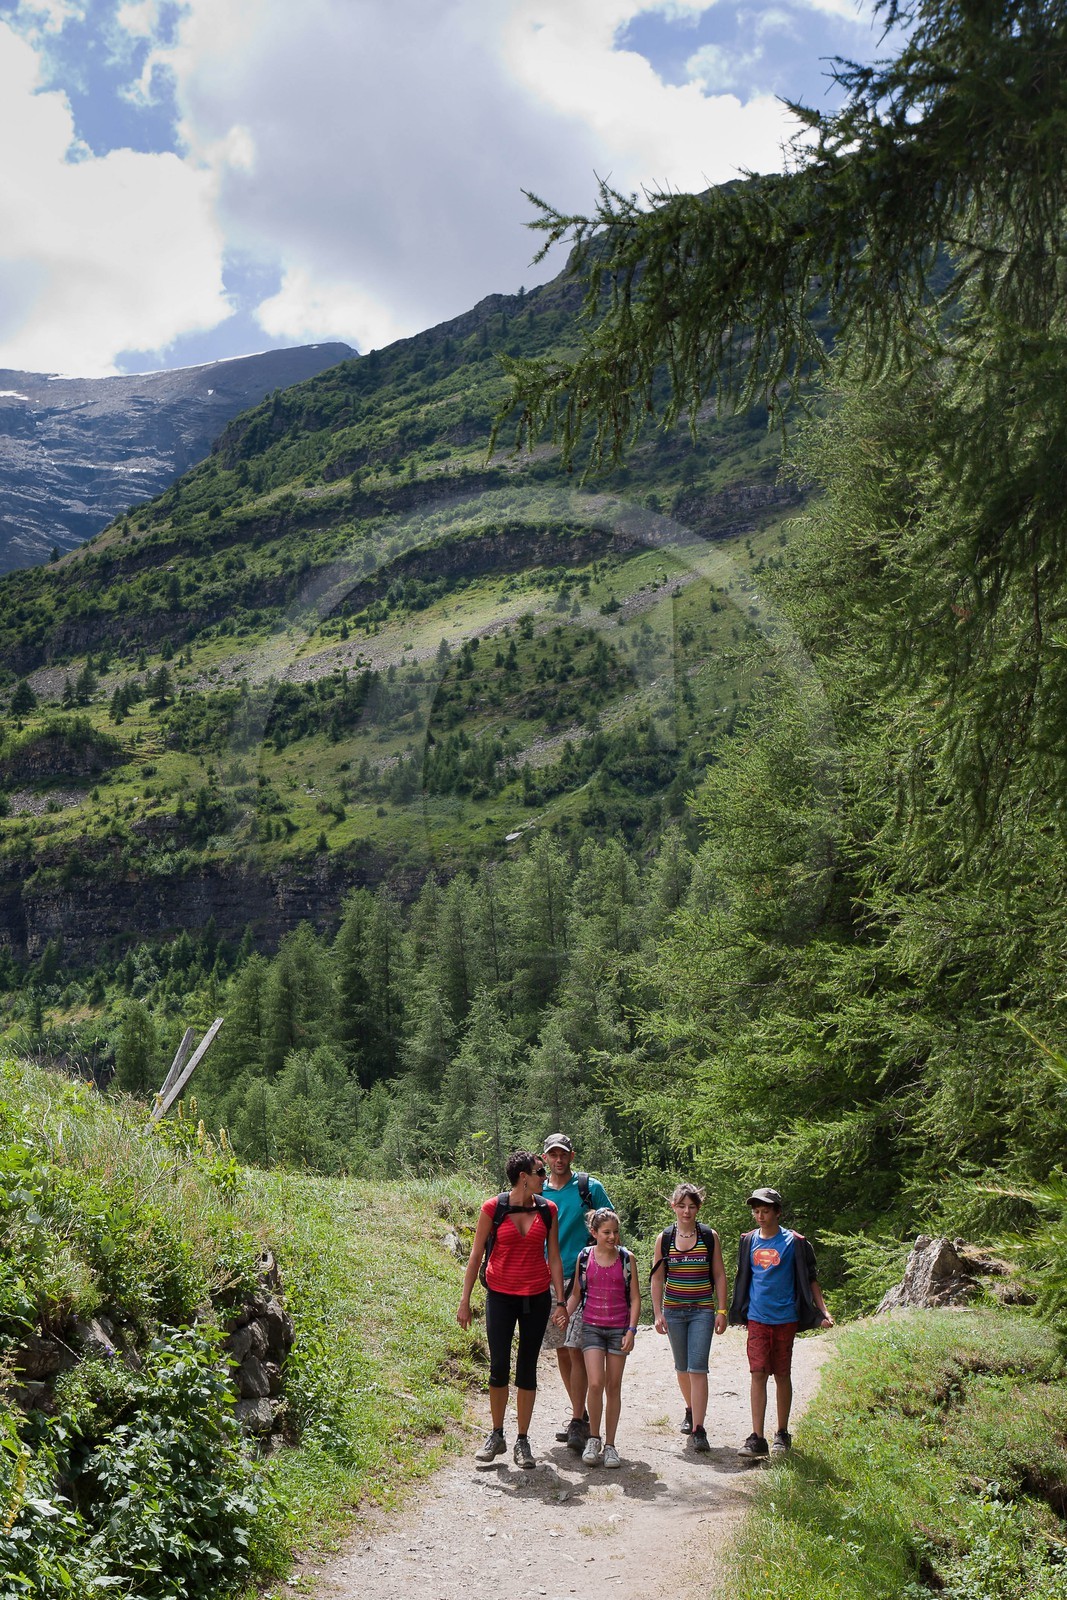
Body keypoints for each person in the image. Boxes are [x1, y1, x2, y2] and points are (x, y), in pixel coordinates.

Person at [457, 1150, 568, 1469]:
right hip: (500, 1298)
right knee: (499, 1368)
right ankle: (496, 1434)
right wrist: (465, 1301)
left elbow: (554, 1257)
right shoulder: (494, 1208)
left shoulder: (548, 1209)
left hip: (536, 1298)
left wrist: (561, 1301)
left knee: (527, 1369)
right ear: (523, 1177)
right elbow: (476, 1256)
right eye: (539, 1172)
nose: (545, 1177)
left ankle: (522, 1440)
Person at [729, 1186, 834, 1458]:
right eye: (756, 1211)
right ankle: (757, 1438)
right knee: (758, 1373)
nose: (760, 1216)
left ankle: (782, 1433)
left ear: (778, 1212)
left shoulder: (795, 1242)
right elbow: (744, 1277)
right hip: (757, 1319)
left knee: (782, 1374)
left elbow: (811, 1279)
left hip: (786, 1319)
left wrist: (823, 1312)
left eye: (765, 1211)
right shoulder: (748, 1241)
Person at [540, 1132, 613, 1450]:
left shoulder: (589, 1187)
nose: (558, 1160)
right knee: (561, 1348)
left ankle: (578, 1420)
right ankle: (579, 1416)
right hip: (547, 1280)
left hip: (583, 1279)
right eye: (553, 1154)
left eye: (563, 1154)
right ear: (545, 1158)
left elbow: (611, 1228)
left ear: (571, 1156)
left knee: (575, 1348)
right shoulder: (538, 1190)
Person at [650, 1182, 728, 1454]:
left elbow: (719, 1274)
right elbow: (657, 1278)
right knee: (682, 1368)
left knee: (698, 1368)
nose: (686, 1211)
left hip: (702, 1311)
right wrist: (657, 1313)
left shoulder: (709, 1236)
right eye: (682, 1206)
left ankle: (699, 1429)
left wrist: (721, 1311)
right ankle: (690, 1409)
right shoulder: (664, 1238)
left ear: (698, 1208)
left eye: (691, 1206)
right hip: (673, 1311)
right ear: (673, 1206)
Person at [565, 1207, 641, 1469]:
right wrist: (563, 1313)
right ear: (594, 1232)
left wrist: (632, 1330)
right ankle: (593, 1439)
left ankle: (610, 1445)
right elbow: (577, 1293)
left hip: (619, 1329)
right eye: (606, 1232)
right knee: (596, 1383)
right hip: (592, 1328)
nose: (612, 1237)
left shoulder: (627, 1259)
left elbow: (635, 1298)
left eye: (615, 1232)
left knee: (613, 1386)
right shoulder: (584, 1257)